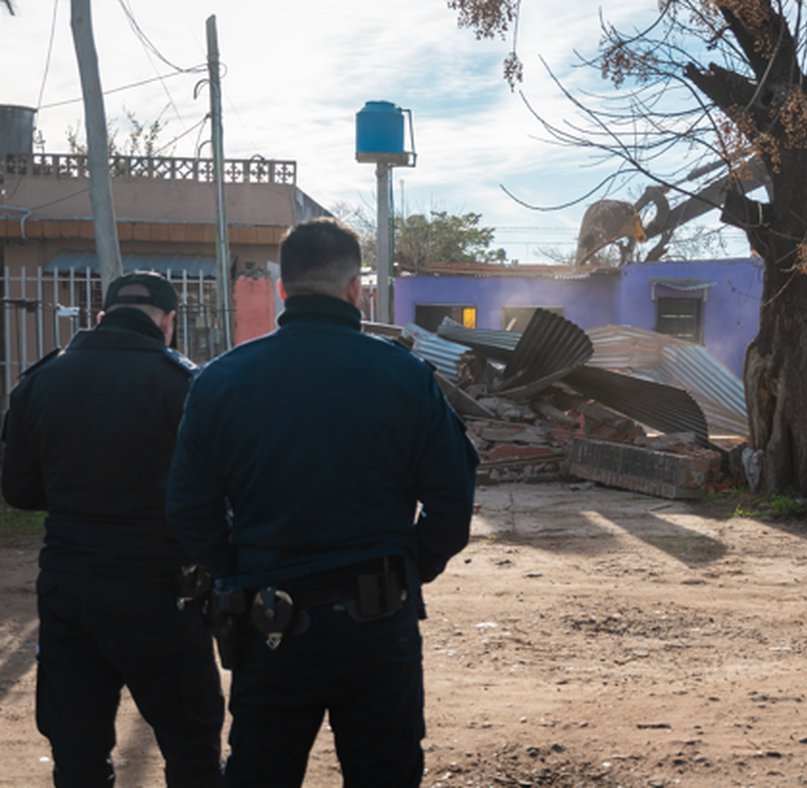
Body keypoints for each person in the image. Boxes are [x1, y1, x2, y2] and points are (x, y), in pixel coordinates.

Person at [166, 216, 478, 786]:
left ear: (283, 290)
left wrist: (239, 569)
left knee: (260, 774)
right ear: (355, 288)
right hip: (378, 625)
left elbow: (188, 508)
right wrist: (408, 568)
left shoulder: (221, 380)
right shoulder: (405, 376)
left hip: (269, 622)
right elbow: (452, 504)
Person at [2, 271, 224, 787]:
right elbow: (215, 494)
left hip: (69, 587)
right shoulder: (185, 383)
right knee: (192, 751)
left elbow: (19, 491)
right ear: (168, 322)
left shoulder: (40, 380)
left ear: (101, 316)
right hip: (161, 590)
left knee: (78, 755)